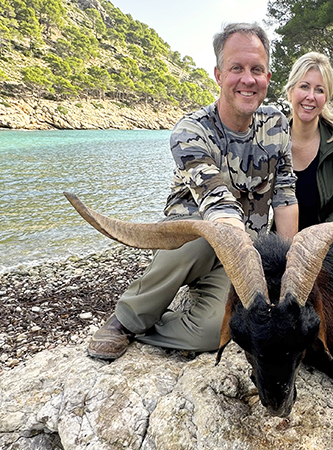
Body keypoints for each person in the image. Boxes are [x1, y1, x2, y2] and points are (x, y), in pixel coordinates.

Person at [87, 22, 298, 360]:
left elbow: (286, 196)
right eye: (236, 68)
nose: (247, 79)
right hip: (193, 246)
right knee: (201, 236)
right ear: (218, 74)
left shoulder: (276, 125)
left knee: (219, 332)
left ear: (268, 77)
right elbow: (219, 206)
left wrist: (286, 272)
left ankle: (152, 329)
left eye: (256, 69)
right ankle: (127, 319)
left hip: (243, 255)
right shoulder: (190, 131)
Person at [284, 52, 333, 230]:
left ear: (326, 98)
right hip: (284, 238)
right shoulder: (274, 141)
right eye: (304, 86)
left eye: (319, 90)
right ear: (290, 92)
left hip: (332, 237)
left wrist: (315, 238)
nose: (311, 96)